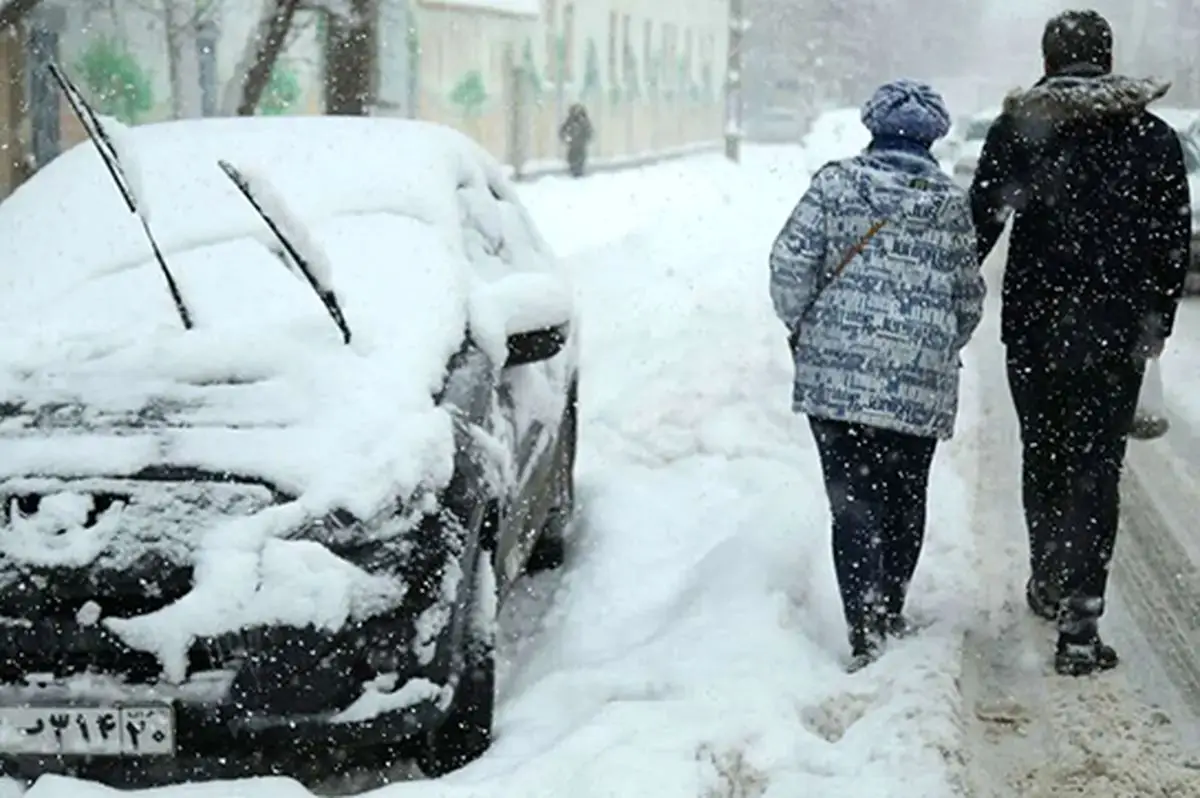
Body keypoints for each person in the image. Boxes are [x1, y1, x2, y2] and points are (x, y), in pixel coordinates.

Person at [968, 9, 1190, 676]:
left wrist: (945, 290)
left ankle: (1048, 578)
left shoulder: (1021, 129)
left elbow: (981, 221)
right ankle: (1082, 625)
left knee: (1044, 455)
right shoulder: (1152, 137)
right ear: (1108, 56)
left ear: (1048, 58)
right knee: (1096, 471)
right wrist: (1155, 321)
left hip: (1036, 330)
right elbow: (1172, 241)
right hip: (1114, 336)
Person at [769, 80, 985, 672]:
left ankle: (864, 627)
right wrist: (934, 342)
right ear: (933, 137)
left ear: (873, 126)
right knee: (906, 494)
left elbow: (789, 264)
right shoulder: (948, 202)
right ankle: (888, 608)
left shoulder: (835, 184)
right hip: (918, 382)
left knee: (854, 500)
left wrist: (806, 327)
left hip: (837, 380)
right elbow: (968, 298)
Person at [559, 104, 594, 178]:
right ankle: (575, 171)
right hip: (574, 146)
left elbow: (589, 133)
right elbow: (563, 131)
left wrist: (583, 139)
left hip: (578, 146)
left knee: (578, 163)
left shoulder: (583, 121)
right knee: (574, 162)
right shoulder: (570, 121)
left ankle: (577, 171)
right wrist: (567, 138)